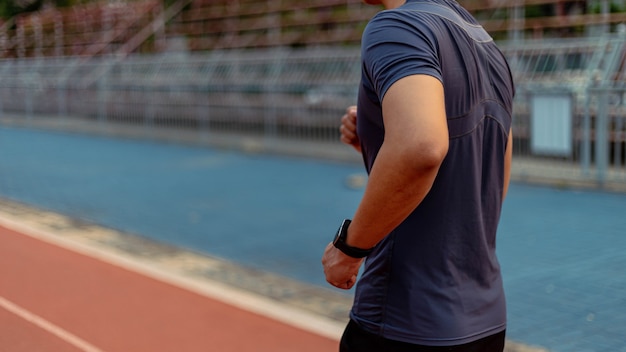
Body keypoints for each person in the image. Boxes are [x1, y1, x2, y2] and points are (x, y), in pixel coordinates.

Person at [321, 0, 515, 351]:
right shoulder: (486, 45)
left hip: (406, 318)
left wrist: (349, 248)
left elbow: (420, 148)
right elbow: (488, 173)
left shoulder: (396, 27)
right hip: (484, 321)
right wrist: (382, 145)